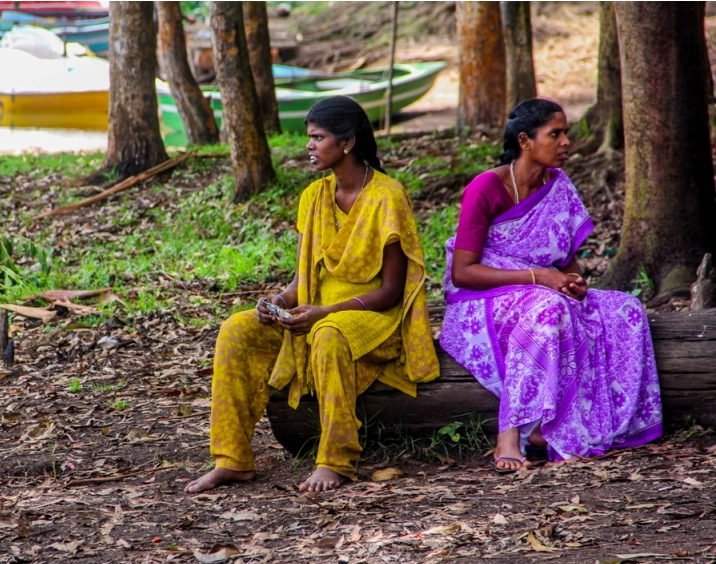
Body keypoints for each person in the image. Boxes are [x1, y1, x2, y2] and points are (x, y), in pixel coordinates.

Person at [186, 96, 440, 494]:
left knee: (328, 335)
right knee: (237, 330)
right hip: (316, 310)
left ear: (347, 143)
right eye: (309, 137)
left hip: (370, 317)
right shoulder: (314, 197)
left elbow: (392, 291)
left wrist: (326, 312)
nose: (309, 146)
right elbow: (301, 281)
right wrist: (279, 304)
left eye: (318, 137)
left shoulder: (387, 197)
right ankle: (233, 459)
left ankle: (335, 458)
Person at [439, 98, 663, 473]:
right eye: (554, 134)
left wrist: (573, 281)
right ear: (525, 141)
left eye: (566, 133)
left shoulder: (558, 186)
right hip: (483, 298)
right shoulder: (486, 188)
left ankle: (562, 425)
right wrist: (539, 277)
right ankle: (509, 435)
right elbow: (463, 272)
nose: (565, 142)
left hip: (542, 292)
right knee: (548, 308)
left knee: (625, 308)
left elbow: (566, 263)